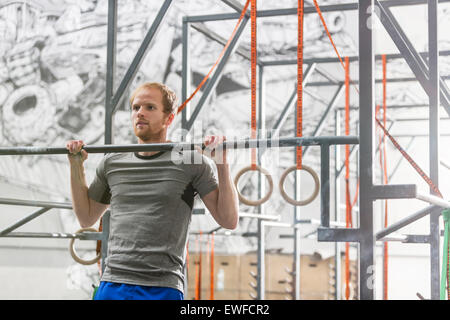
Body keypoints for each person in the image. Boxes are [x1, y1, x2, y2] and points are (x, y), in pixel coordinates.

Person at [66, 82, 239, 300]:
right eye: (136, 107)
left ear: (169, 118)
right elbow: (86, 216)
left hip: (162, 287)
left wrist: (222, 164)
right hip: (113, 283)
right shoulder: (112, 163)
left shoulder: (191, 162)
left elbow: (229, 219)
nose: (140, 113)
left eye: (150, 107)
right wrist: (76, 165)